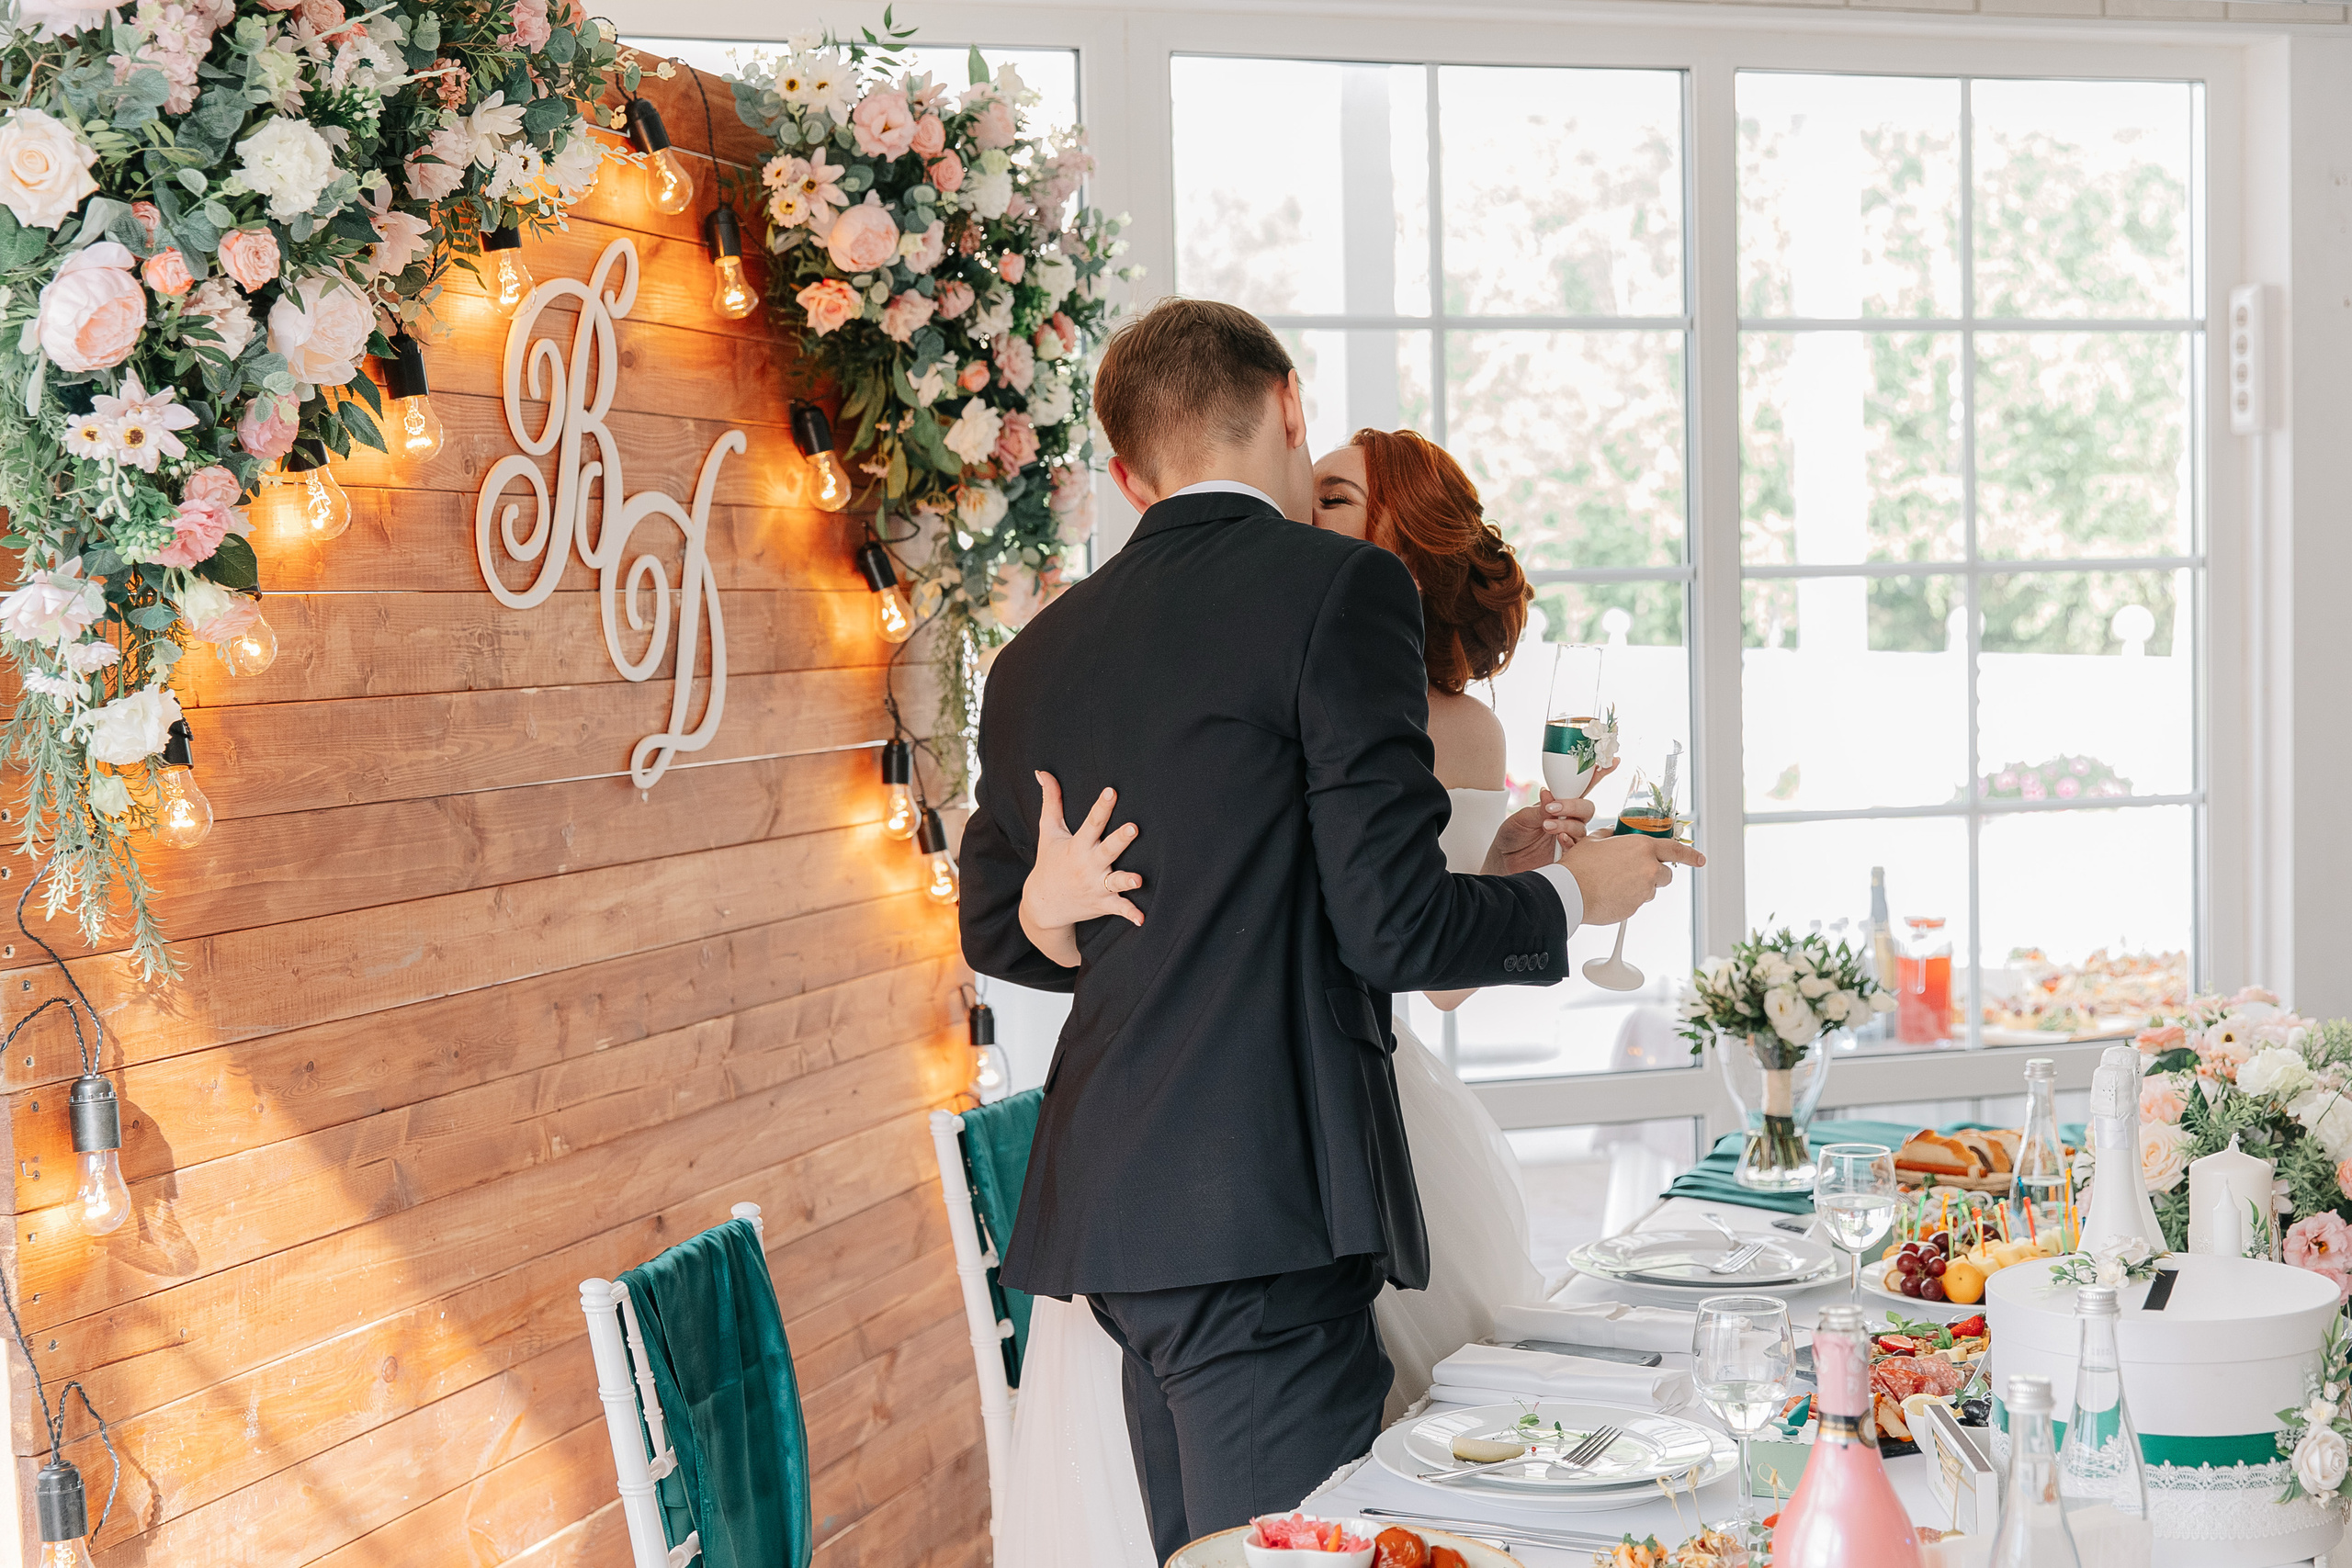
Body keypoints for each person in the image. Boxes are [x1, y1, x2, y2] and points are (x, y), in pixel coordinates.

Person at [958, 298, 1702, 1563]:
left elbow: (998, 924)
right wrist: (1582, 894)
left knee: (1211, 1557)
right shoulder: (1341, 589)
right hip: (1260, 1203)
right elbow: (1396, 930)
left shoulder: (1034, 654)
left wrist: (1055, 911)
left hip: (1121, 1214)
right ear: (1289, 405)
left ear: (1128, 476)